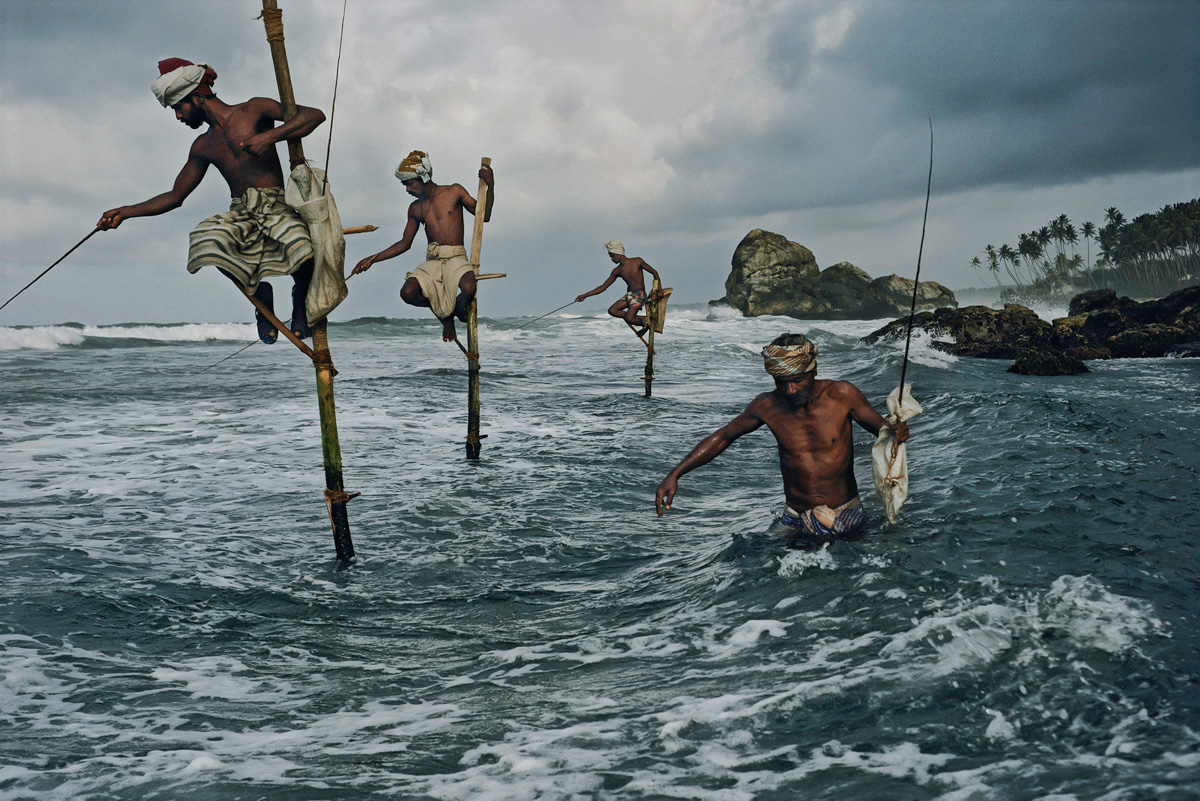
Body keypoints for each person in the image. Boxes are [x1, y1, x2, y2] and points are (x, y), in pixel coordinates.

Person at [97, 59, 326, 344]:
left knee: (303, 247)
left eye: (178, 107)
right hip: (241, 213)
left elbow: (314, 116)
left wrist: (271, 137)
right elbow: (175, 196)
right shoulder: (203, 146)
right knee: (206, 240)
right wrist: (125, 212)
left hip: (276, 205)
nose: (179, 117)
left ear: (196, 97)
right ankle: (260, 298)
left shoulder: (253, 109)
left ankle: (299, 303)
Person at [654, 333, 910, 541]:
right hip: (795, 517)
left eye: (797, 380)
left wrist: (896, 430)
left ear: (813, 371)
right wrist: (675, 474)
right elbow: (723, 436)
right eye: (780, 382)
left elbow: (883, 429)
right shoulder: (766, 406)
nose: (789, 390)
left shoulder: (842, 395)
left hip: (846, 513)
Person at [350, 151, 495, 342]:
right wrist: (371, 259)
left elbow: (484, 215)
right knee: (407, 293)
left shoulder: (454, 191)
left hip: (455, 257)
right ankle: (447, 317)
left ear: (424, 177)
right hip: (433, 260)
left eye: (410, 183)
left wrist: (490, 186)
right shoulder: (415, 208)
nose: (407, 189)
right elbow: (404, 244)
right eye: (405, 184)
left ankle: (453, 312)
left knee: (469, 288)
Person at [575, 241, 661, 337]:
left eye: (612, 256)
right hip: (629, 295)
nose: (611, 259)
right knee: (612, 310)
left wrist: (659, 290)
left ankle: (643, 323)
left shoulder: (637, 261)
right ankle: (642, 319)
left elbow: (654, 272)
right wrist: (585, 295)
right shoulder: (617, 271)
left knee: (629, 319)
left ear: (618, 253)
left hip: (639, 295)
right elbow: (603, 287)